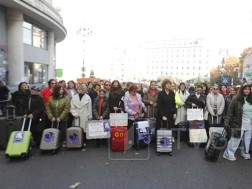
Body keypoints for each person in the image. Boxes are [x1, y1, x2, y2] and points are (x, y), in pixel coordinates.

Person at [223, 83, 252, 161]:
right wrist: (226, 122)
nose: (247, 90)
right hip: (238, 121)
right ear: (242, 90)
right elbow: (229, 111)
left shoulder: (251, 99)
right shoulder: (236, 99)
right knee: (235, 139)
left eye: (249, 89)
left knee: (247, 140)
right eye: (245, 89)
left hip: (250, 122)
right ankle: (228, 154)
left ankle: (245, 153)